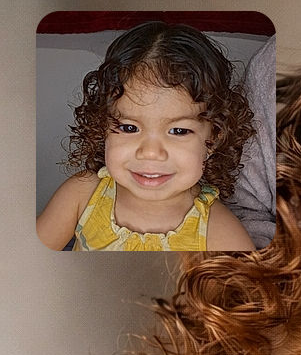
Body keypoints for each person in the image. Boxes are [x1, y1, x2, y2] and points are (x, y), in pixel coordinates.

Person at [37, 21, 255, 251]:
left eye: (179, 131)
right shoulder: (81, 194)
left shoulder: (221, 233)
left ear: (214, 138)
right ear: (102, 126)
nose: (150, 152)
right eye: (129, 128)